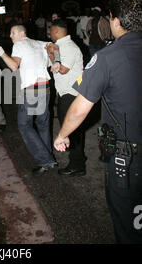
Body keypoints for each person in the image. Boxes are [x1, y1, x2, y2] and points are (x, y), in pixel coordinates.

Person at [54, 0, 142, 244]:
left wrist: (62, 135)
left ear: (114, 20)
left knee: (129, 226)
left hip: (129, 158)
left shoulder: (107, 57)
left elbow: (80, 107)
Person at [0, 25, 60, 174]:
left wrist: (0, 52)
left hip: (32, 90)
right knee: (43, 125)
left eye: (12, 33)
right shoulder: (40, 43)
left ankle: (46, 159)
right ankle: (48, 159)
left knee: (24, 125)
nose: (10, 36)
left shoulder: (20, 44)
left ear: (21, 33)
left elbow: (14, 66)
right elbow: (55, 47)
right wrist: (56, 61)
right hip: (45, 88)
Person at [48, 19, 86, 176]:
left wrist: (50, 53)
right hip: (67, 93)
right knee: (72, 130)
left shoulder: (68, 47)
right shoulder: (61, 46)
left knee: (72, 130)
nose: (49, 33)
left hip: (71, 94)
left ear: (56, 31)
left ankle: (77, 165)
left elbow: (62, 70)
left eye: (51, 30)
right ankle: (77, 161)